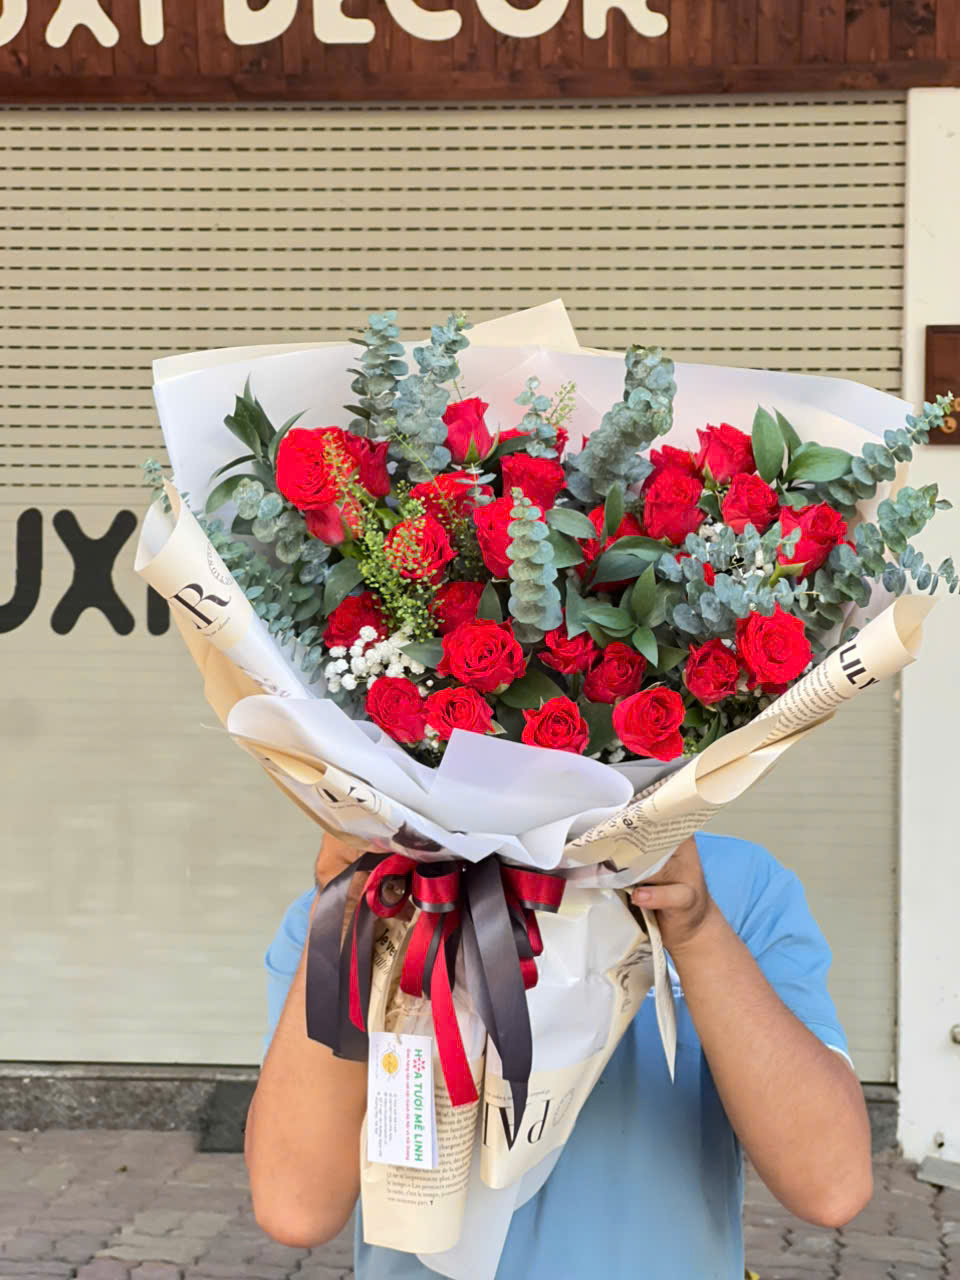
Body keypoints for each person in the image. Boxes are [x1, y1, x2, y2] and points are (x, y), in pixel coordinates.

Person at [244, 830, 873, 1279]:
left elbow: (830, 1186)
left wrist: (697, 933)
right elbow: (296, 1208)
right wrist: (347, 922)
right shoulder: (375, 894)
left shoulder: (725, 886)